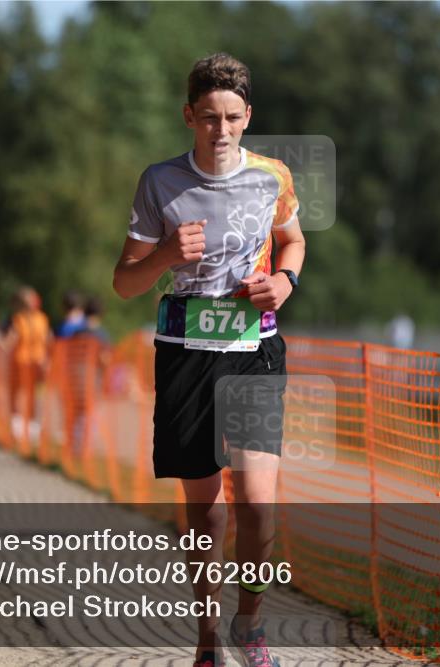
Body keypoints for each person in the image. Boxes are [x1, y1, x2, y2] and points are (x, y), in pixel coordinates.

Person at [113, 53, 305, 667]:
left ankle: (249, 622)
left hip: (253, 349)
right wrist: (165, 253)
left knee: (256, 505)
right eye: (207, 118)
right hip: (185, 355)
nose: (219, 130)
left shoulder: (273, 177)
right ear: (188, 116)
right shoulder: (159, 182)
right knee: (208, 513)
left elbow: (293, 241)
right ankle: (206, 635)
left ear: (248, 117)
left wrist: (286, 281)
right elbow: (123, 283)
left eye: (231, 117)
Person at [4, 286, 52, 444]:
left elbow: (11, 340)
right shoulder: (42, 319)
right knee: (35, 396)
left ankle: (18, 430)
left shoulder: (19, 319)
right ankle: (34, 430)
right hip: (38, 362)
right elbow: (49, 341)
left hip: (20, 362)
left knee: (17, 396)